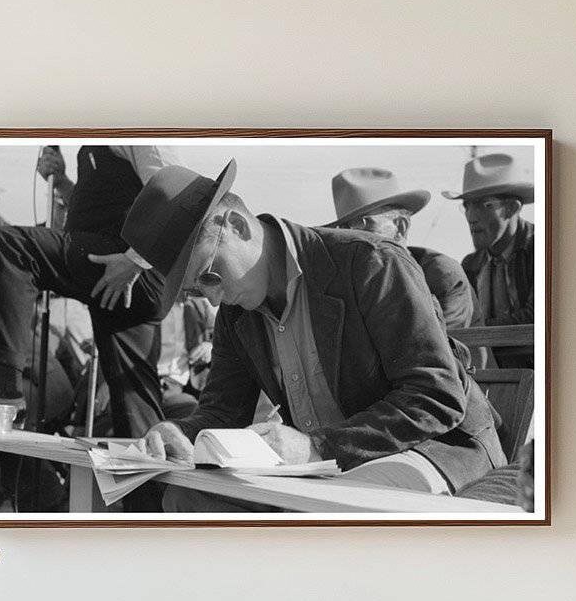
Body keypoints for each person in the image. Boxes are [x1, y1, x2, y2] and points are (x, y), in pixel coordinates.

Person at [118, 160, 506, 513]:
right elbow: (222, 413)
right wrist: (178, 431)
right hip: (324, 470)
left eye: (209, 275)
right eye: (197, 291)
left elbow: (436, 396)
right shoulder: (237, 312)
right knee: (185, 497)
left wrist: (317, 445)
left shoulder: (372, 263)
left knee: (326, 511)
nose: (214, 298)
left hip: (435, 448)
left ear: (235, 225)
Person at [0, 143, 182, 438]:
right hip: (123, 278)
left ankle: (3, 396)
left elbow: (176, 196)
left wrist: (135, 261)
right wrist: (65, 184)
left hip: (128, 269)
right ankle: (149, 477)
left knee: (10, 247)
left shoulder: (137, 128)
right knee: (136, 410)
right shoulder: (103, 141)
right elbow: (102, 210)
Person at [328, 168, 475, 329]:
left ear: (400, 227)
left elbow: (442, 347)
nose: (352, 237)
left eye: (364, 224)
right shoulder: (346, 285)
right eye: (343, 228)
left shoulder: (441, 275)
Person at [443, 152, 536, 367]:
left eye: (485, 205)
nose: (471, 216)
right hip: (494, 377)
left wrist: (475, 330)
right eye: (467, 205)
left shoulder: (542, 251)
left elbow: (536, 319)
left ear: (512, 208)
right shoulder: (471, 265)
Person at [158, 297, 216, 421]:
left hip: (179, 387)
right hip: (145, 382)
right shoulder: (152, 302)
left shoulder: (199, 306)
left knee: (194, 411)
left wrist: (209, 346)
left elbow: (218, 337)